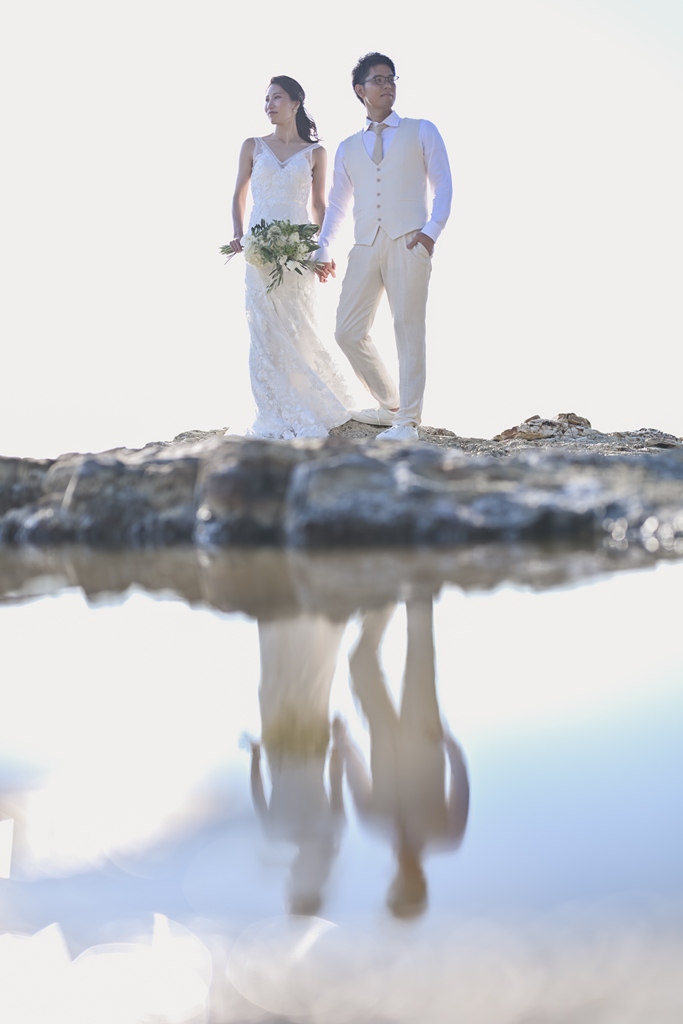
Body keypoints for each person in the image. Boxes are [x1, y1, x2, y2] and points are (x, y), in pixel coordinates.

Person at [317, 53, 453, 442]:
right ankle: (390, 403)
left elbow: (443, 185)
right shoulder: (347, 147)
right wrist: (323, 247)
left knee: (408, 329)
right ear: (360, 90)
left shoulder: (422, 130)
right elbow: (338, 204)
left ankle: (407, 422)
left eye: (391, 78)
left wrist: (430, 233)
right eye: (378, 79)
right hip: (364, 244)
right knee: (347, 330)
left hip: (409, 242)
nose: (387, 85)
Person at [228, 77, 352, 439]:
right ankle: (271, 409)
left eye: (277, 98)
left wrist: (322, 250)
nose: (269, 104)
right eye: (266, 99)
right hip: (259, 252)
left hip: (297, 252)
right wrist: (238, 233)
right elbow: (238, 195)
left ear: (296, 102)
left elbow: (319, 205)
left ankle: (305, 401)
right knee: (263, 330)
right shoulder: (253, 146)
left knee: (298, 328)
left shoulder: (315, 153)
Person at [333, 600, 469, 918]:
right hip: (425, 738)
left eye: (397, 889)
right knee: (420, 657)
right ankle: (418, 588)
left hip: (383, 735)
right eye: (407, 890)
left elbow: (356, 777)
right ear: (420, 884)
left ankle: (384, 599)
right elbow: (461, 783)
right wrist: (447, 742)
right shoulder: (446, 834)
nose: (401, 882)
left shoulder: (374, 823)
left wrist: (342, 741)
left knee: (360, 663)